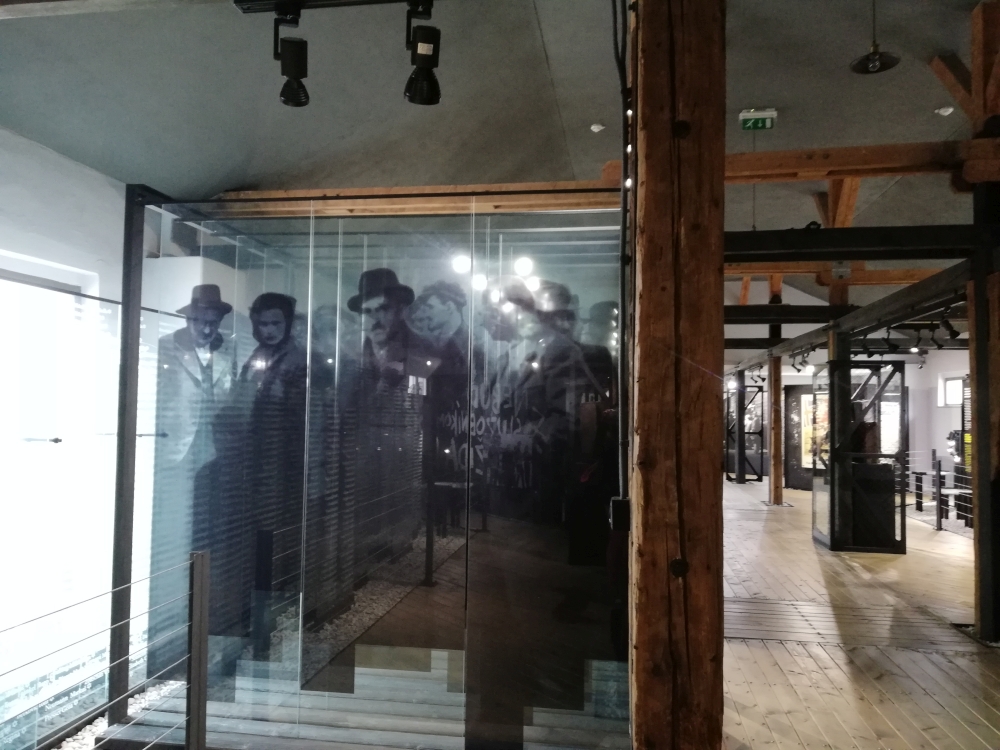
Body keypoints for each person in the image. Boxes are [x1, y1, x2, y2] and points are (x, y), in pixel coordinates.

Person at [148, 284, 236, 678]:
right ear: (188, 318)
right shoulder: (166, 347)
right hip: (175, 450)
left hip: (213, 451)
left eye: (212, 321)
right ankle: (170, 605)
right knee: (174, 526)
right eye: (199, 320)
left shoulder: (227, 351)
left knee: (207, 526)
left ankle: (203, 597)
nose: (205, 328)